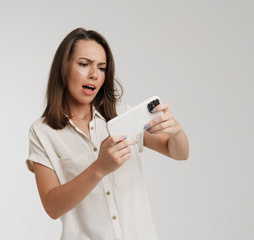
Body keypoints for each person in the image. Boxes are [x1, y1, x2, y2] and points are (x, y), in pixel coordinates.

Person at [26, 28, 189, 240]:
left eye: (101, 68)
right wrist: (99, 168)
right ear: (63, 67)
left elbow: (178, 152)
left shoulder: (121, 114)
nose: (94, 74)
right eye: (84, 64)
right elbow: (52, 206)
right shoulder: (42, 132)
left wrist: (175, 130)